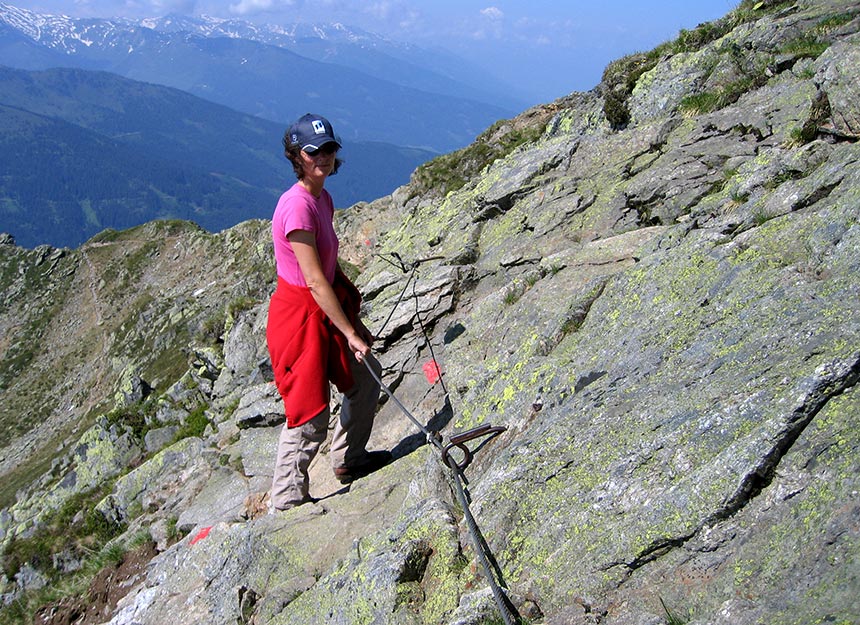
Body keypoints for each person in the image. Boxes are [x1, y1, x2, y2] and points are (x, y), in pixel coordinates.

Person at [266, 113, 391, 511]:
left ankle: (349, 459)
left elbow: (329, 269)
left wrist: (350, 319)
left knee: (366, 376)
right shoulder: (297, 208)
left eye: (329, 149)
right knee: (308, 412)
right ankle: (286, 501)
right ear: (297, 156)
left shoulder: (322, 198)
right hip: (300, 317)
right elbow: (315, 281)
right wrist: (351, 332)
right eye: (313, 151)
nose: (323, 156)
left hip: (323, 307)